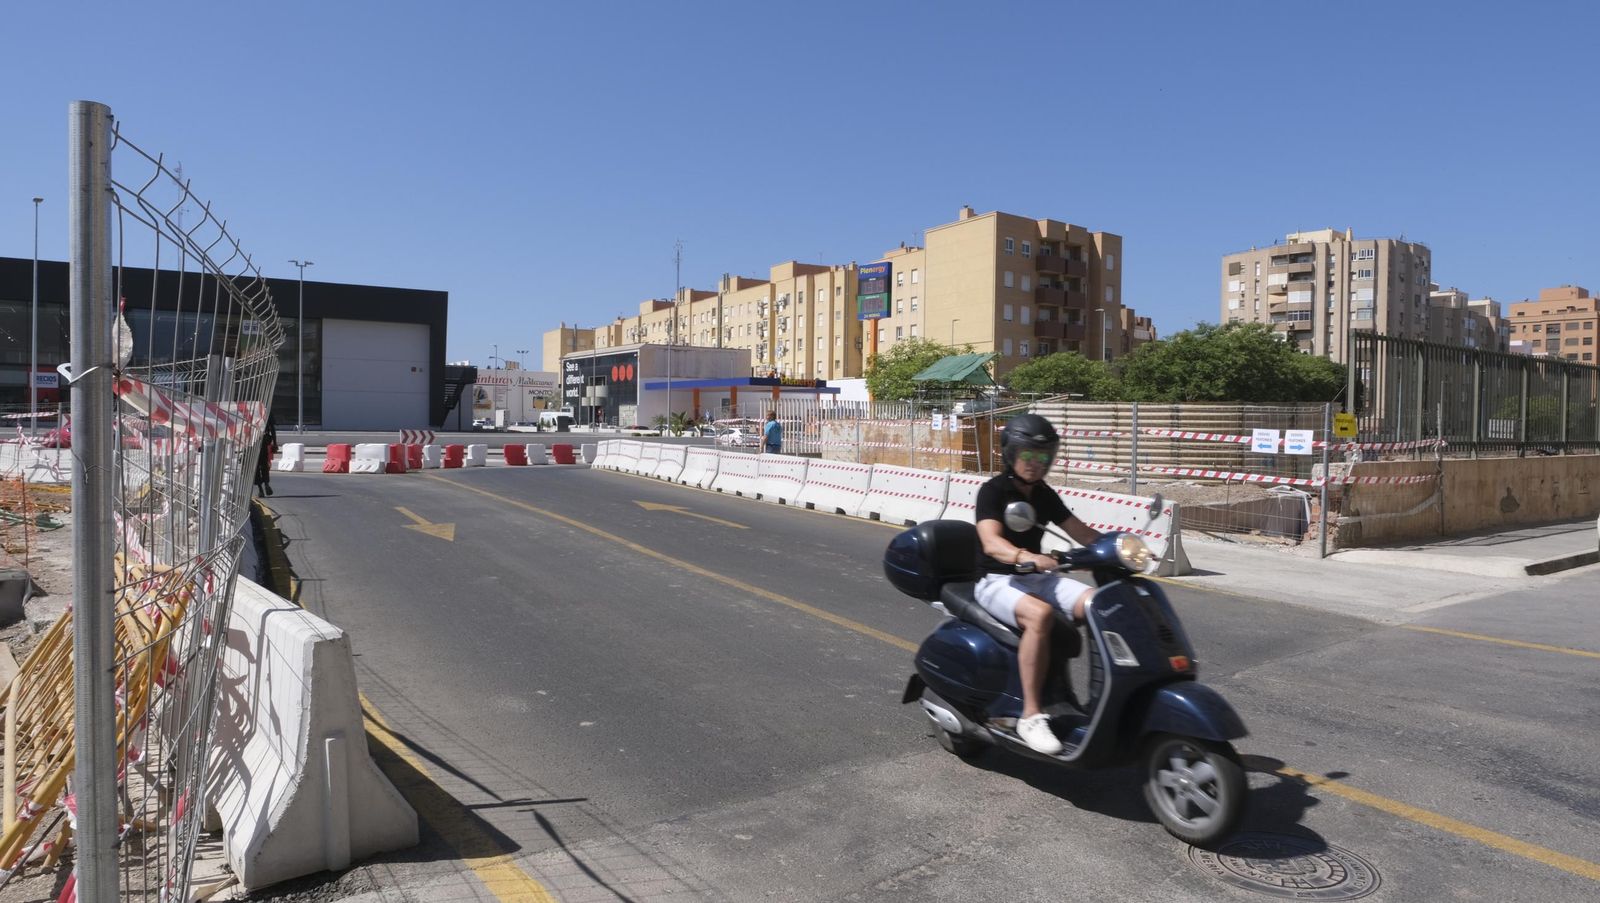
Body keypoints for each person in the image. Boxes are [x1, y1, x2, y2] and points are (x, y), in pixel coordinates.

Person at [973, 414, 1103, 754]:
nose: (1035, 463)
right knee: (1040, 616)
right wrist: (1020, 556)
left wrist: (1119, 549)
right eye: (1028, 455)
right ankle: (1030, 715)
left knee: (1098, 604)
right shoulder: (993, 491)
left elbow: (1081, 532)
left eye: (1043, 457)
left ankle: (1103, 699)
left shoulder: (1043, 494)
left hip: (1035, 577)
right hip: (997, 580)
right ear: (1011, 454)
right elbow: (990, 542)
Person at [254, 412, 278, 497]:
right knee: (263, 464)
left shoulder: (263, 411)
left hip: (255, 441)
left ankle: (261, 488)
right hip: (260, 440)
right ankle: (265, 485)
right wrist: (275, 443)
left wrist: (275, 443)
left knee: (256, 466)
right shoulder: (266, 411)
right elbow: (272, 429)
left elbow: (272, 428)